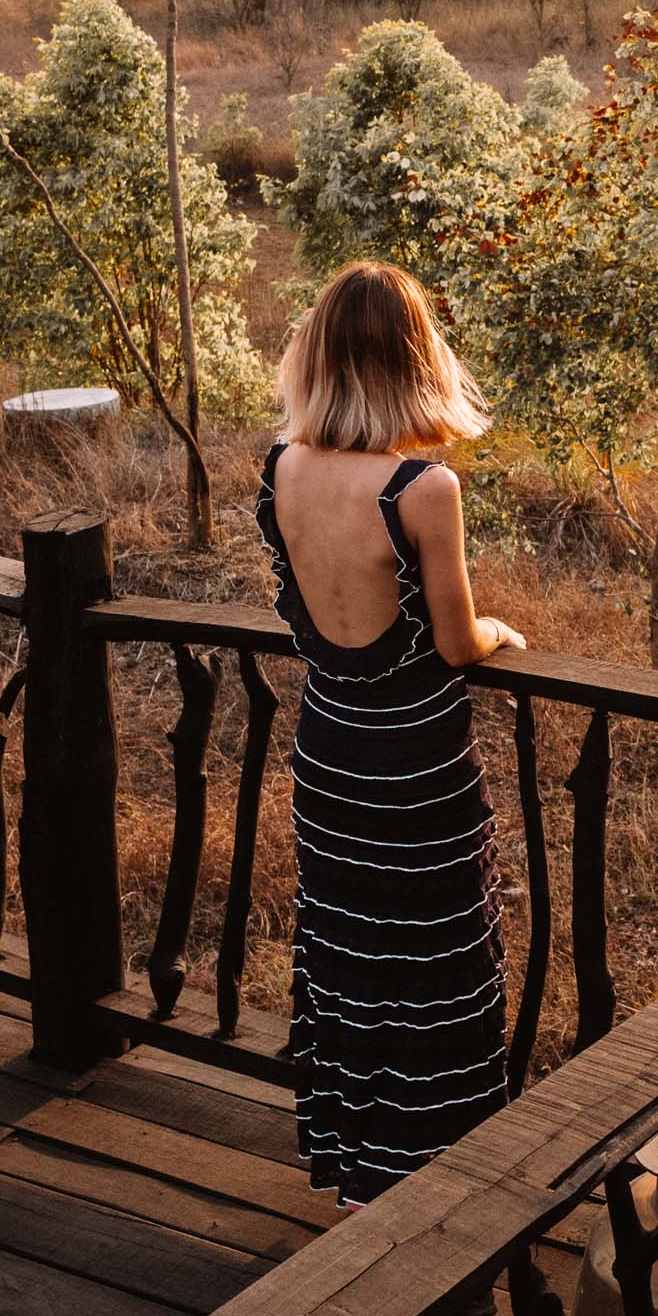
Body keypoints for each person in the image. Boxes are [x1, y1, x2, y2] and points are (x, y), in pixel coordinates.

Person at [256, 260, 525, 1225]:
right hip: (414, 772)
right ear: (416, 361)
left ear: (322, 358)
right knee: (441, 969)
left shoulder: (283, 469)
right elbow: (456, 642)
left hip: (329, 756)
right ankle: (435, 1201)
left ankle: (360, 1172)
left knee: (353, 959)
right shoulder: (423, 489)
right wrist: (498, 634)